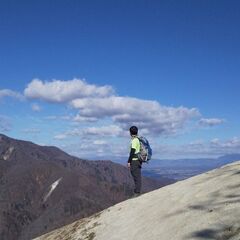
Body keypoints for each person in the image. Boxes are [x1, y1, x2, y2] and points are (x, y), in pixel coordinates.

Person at [127, 126, 142, 197]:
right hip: (137, 161)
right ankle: (137, 191)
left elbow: (132, 152)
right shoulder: (137, 139)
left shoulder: (134, 140)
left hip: (134, 161)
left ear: (130, 132)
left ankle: (137, 193)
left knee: (136, 176)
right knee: (137, 176)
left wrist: (129, 161)